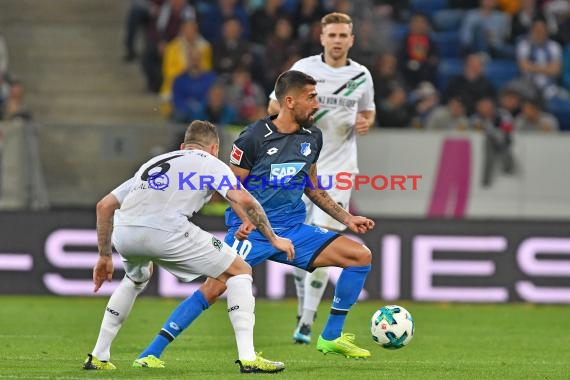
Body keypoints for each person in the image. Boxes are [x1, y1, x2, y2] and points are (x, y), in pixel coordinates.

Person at [134, 70, 375, 367]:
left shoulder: (313, 136)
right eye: (311, 98)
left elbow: (313, 188)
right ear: (289, 101)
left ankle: (331, 336)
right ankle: (151, 353)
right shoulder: (252, 138)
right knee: (214, 287)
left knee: (360, 256)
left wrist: (347, 218)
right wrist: (244, 220)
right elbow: (231, 189)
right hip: (252, 232)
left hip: (294, 230)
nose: (316, 104)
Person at [83, 120, 293, 373]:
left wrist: (105, 256)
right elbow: (244, 198)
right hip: (167, 230)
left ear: (184, 145)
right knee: (240, 271)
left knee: (137, 277)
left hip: (125, 231)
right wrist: (273, 238)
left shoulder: (153, 163)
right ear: (215, 148)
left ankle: (98, 356)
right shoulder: (210, 163)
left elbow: (104, 206)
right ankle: (248, 358)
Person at [266, 12, 375, 344]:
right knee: (301, 238)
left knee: (325, 238)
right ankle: (305, 307)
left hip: (340, 168)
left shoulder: (361, 75)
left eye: (344, 35)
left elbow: (368, 109)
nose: (338, 40)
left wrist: (365, 121)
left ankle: (307, 322)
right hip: (300, 164)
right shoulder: (305, 69)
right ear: (322, 38)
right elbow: (273, 107)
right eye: (333, 35)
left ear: (351, 39)